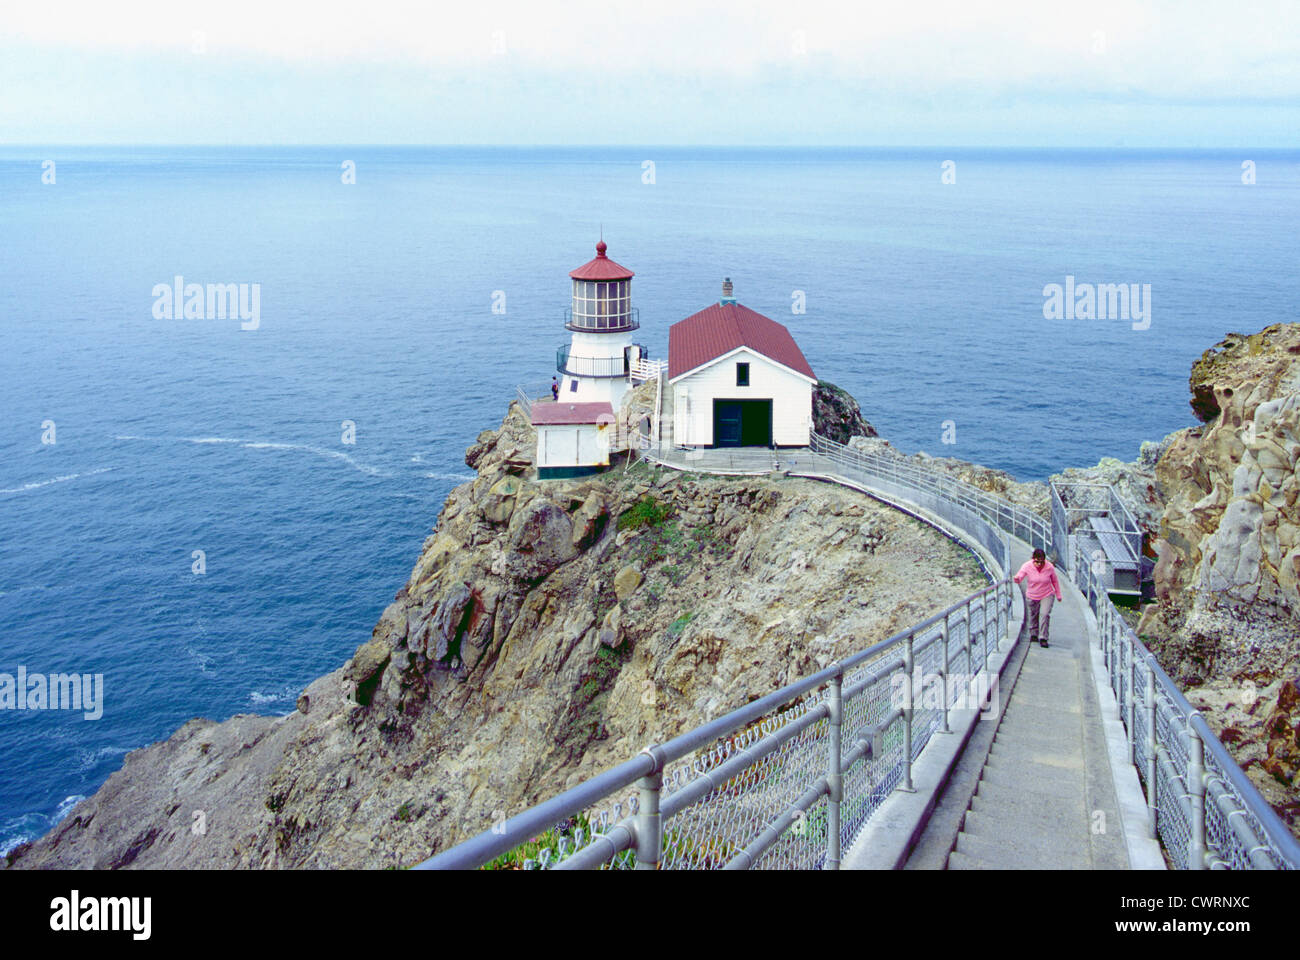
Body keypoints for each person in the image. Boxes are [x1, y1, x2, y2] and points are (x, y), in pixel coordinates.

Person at [1013, 548, 1063, 648]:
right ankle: (1033, 633)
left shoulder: (1049, 567)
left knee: (1044, 614)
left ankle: (1043, 637)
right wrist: (1017, 579)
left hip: (1047, 593)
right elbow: (1021, 575)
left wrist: (1058, 594)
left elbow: (1055, 581)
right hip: (1032, 594)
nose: (1039, 564)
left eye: (1041, 562)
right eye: (1036, 562)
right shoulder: (1027, 566)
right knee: (1033, 614)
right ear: (1033, 559)